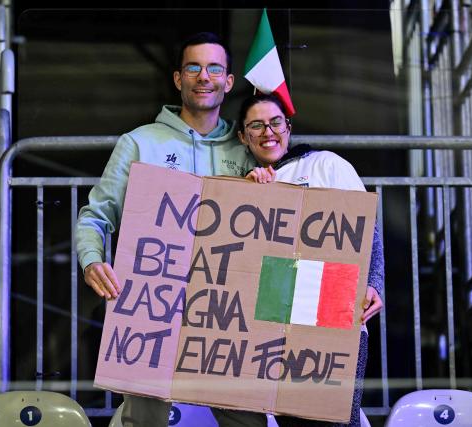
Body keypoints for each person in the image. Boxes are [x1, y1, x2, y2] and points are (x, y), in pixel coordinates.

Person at [75, 32, 266, 427]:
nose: (204, 76)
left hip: (227, 310)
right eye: (193, 67)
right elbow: (96, 215)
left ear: (228, 82)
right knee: (145, 419)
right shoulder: (139, 143)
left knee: (245, 419)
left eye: (215, 68)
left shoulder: (247, 148)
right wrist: (91, 260)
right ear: (178, 79)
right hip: (153, 304)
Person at [240, 93, 384, 427]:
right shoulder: (247, 186)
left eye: (275, 122)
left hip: (336, 317)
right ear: (243, 136)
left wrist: (375, 282)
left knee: (337, 419)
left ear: (288, 127)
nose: (268, 131)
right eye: (256, 125)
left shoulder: (326, 164)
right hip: (276, 327)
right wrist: (251, 196)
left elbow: (367, 229)